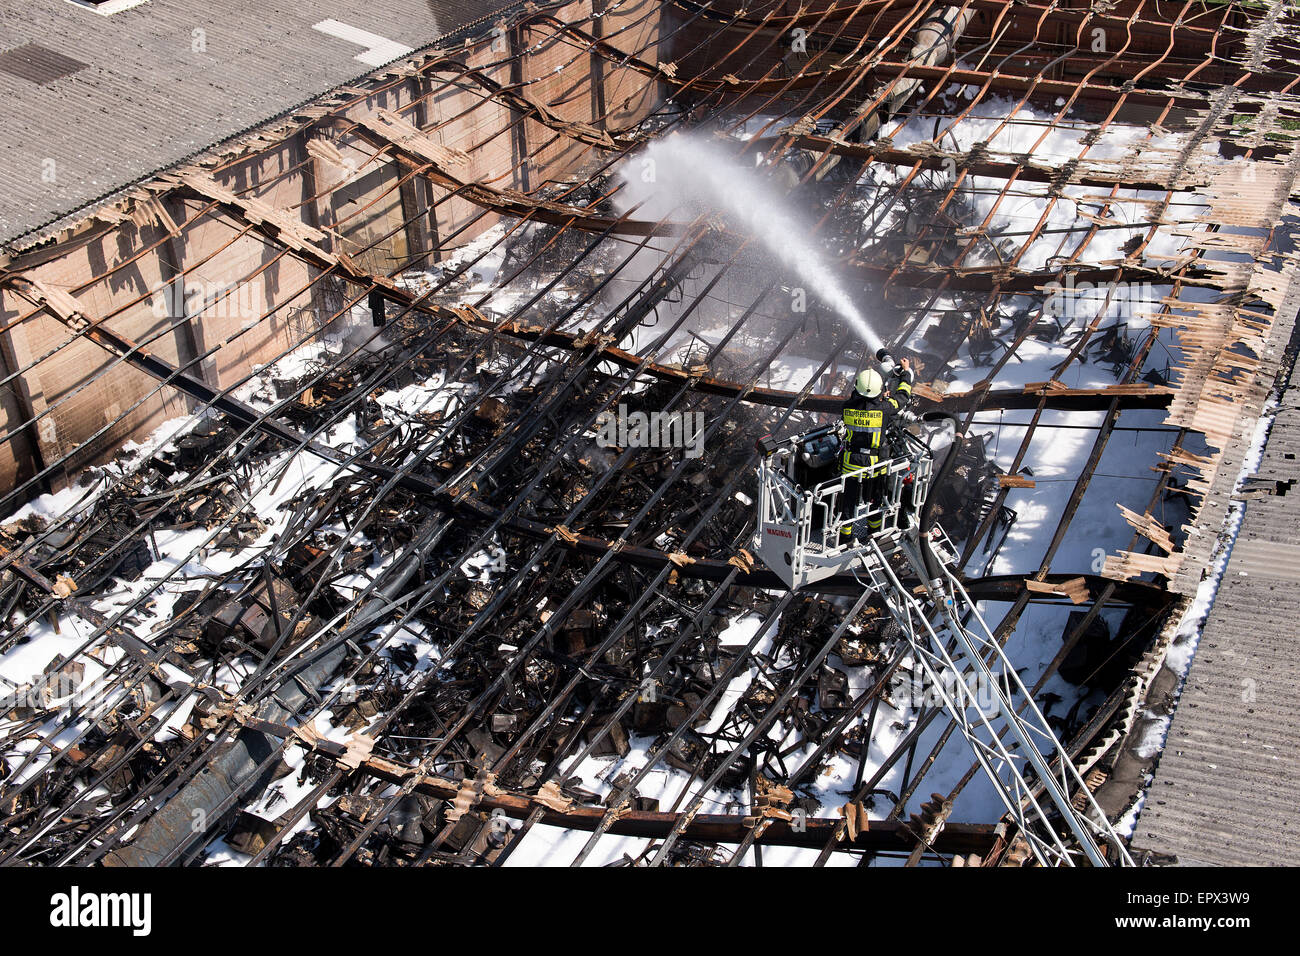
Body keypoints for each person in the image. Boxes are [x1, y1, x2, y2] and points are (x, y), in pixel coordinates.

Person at [839, 349, 914, 541]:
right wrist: (905, 373)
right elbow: (902, 397)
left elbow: (859, 400)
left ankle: (845, 536)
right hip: (875, 465)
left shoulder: (847, 407)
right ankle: (872, 531)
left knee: (848, 500)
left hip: (850, 462)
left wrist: (879, 398)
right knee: (875, 498)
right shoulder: (884, 409)